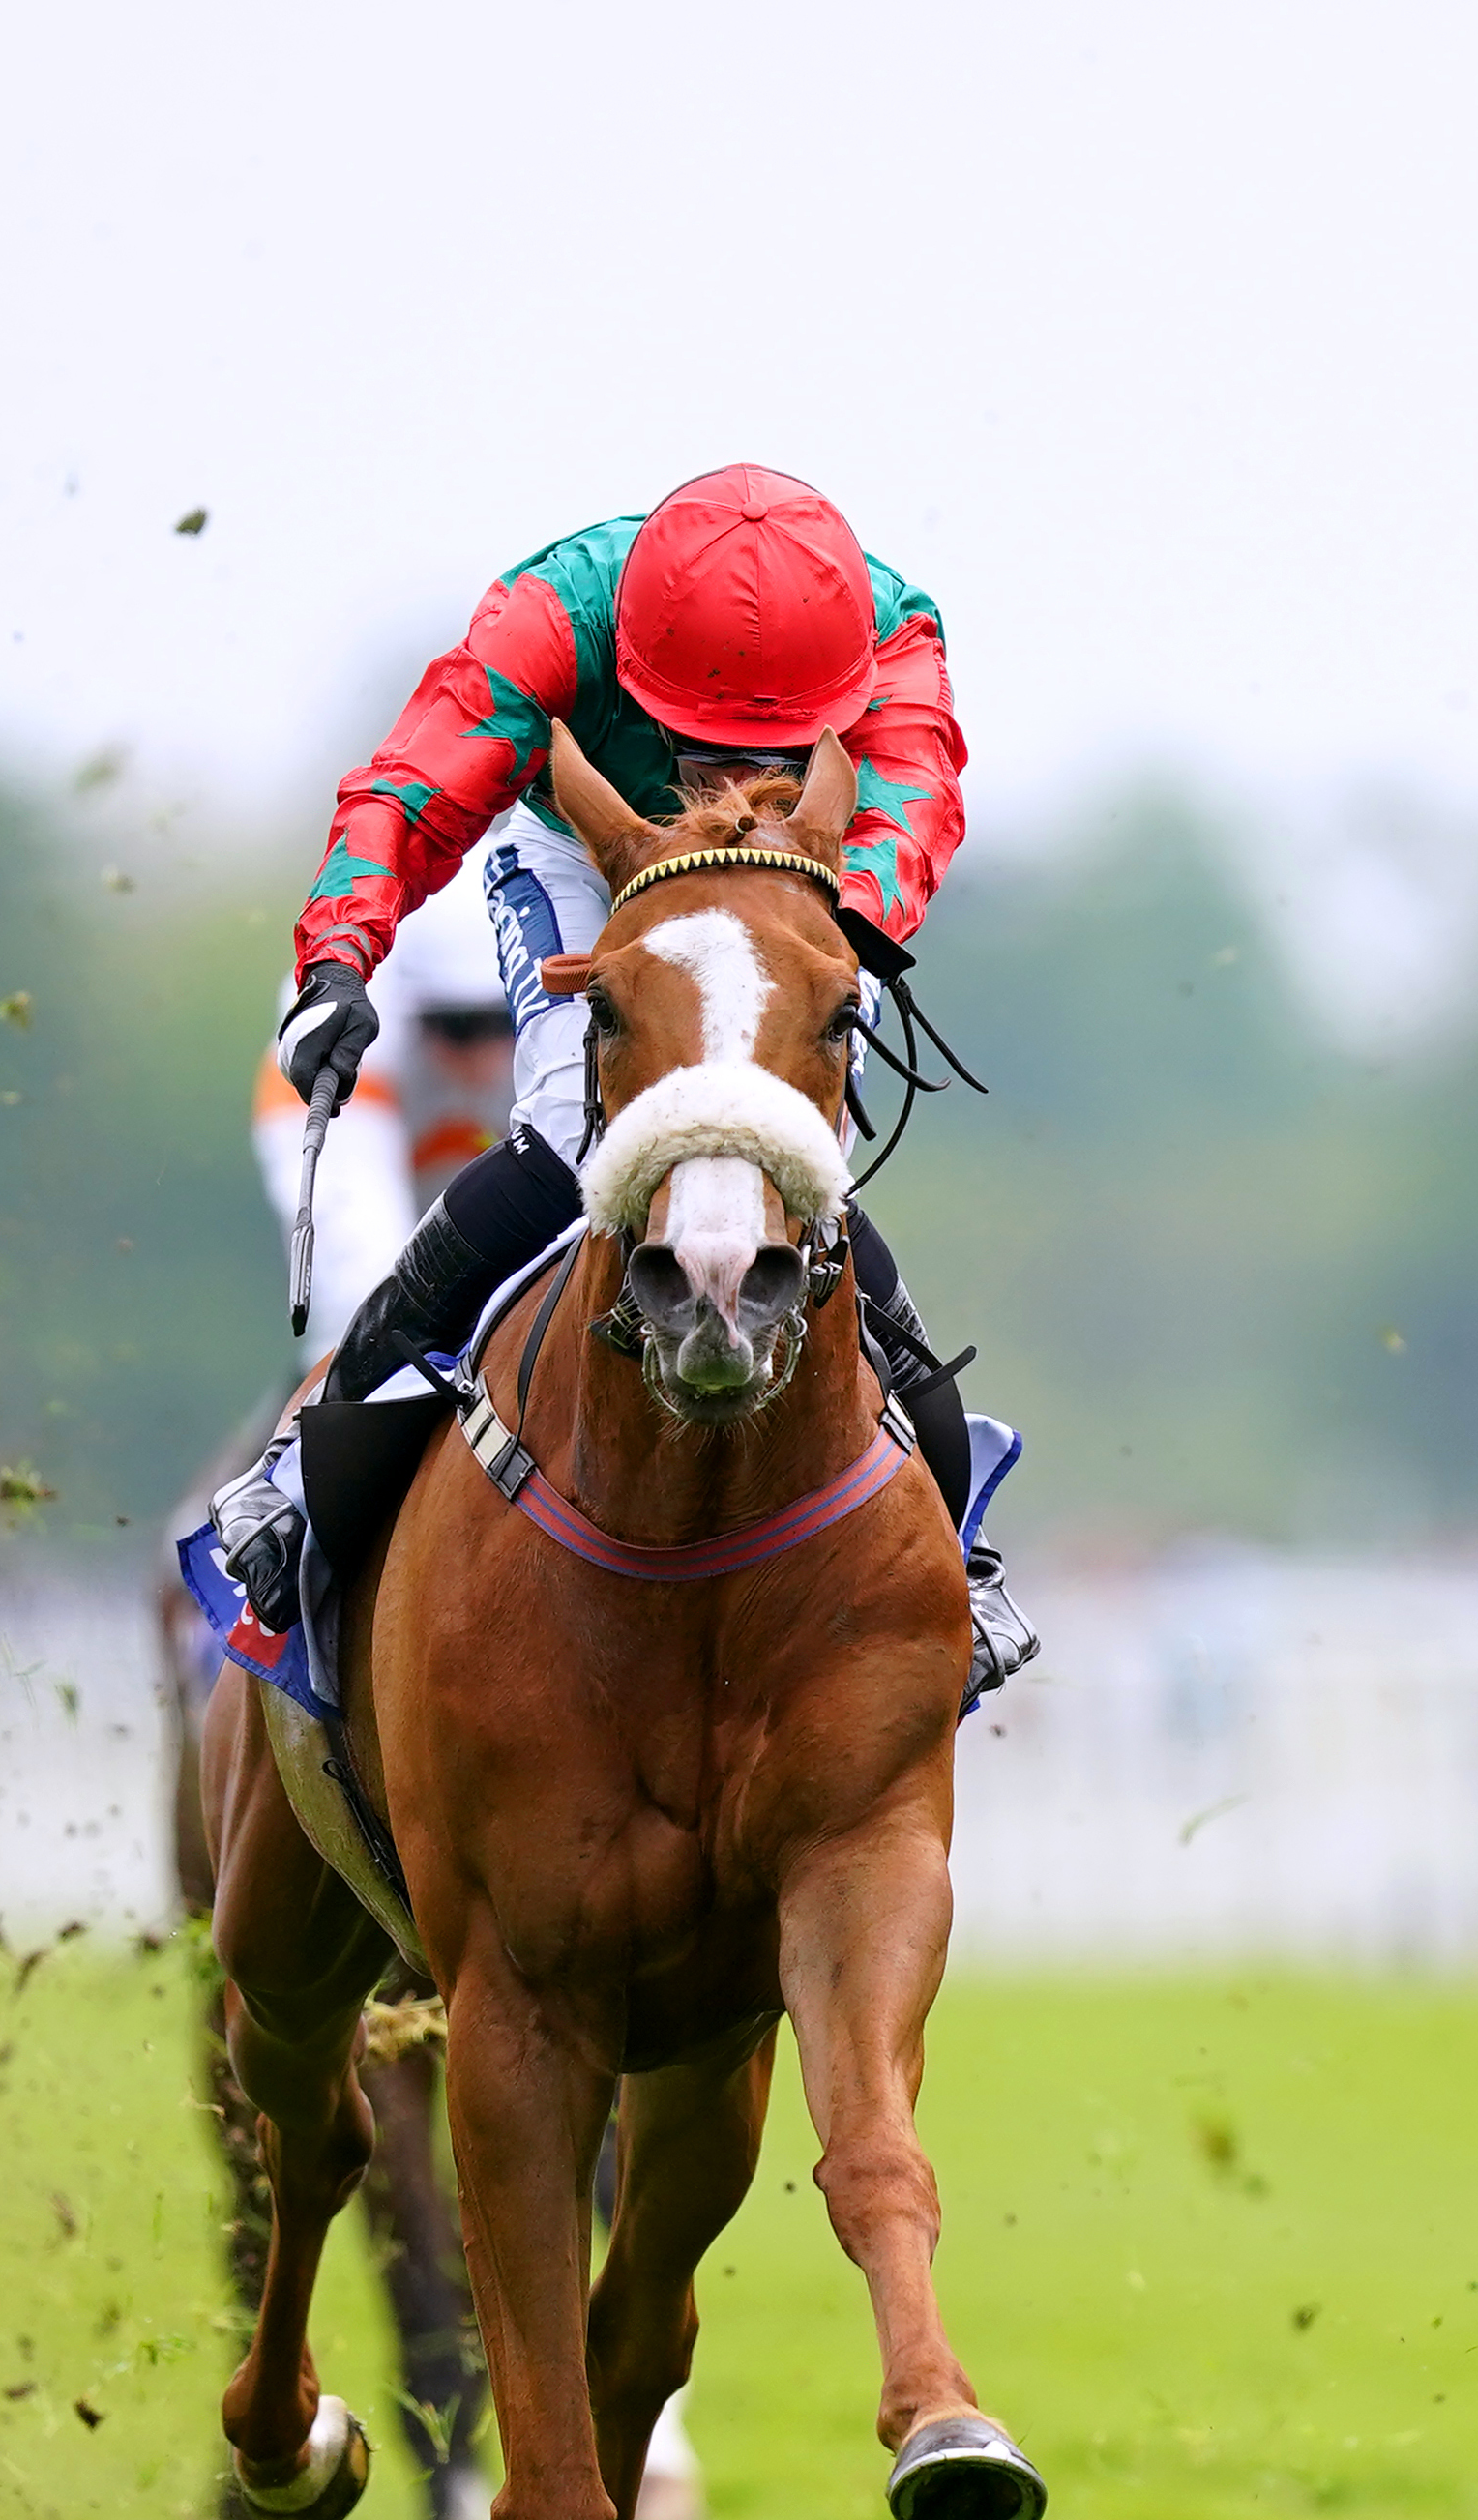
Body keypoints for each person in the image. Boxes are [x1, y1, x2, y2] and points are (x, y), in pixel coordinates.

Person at [208, 464, 1033, 1690]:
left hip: (791, 874)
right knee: (571, 1137)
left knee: (793, 1157)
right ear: (635, 666)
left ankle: (950, 1542)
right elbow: (408, 790)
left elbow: (913, 790)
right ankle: (298, 1461)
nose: (720, 771)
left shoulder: (892, 627)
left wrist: (836, 933)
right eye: (701, 742)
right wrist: (339, 957)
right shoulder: (552, 616)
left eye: (766, 743)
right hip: (586, 852)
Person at [251, 868, 519, 1368]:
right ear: (411, 1008)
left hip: (458, 1176)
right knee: (375, 1320)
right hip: (362, 1140)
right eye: (459, 1029)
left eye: (503, 1023)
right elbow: (365, 1279)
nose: (486, 1062)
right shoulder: (350, 1049)